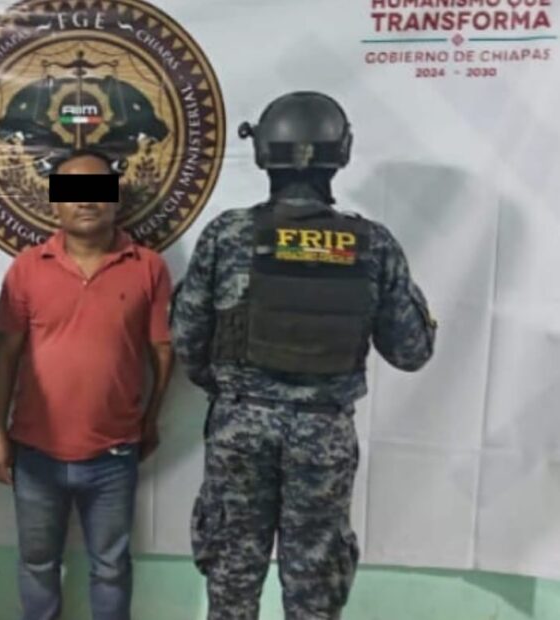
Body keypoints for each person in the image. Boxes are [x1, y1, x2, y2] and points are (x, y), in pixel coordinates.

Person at [172, 91, 437, 620]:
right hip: (323, 433)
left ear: (262, 152)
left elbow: (186, 339)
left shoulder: (227, 235)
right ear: (342, 153)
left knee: (232, 579)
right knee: (315, 586)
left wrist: (235, 393)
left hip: (240, 429)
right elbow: (411, 351)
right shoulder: (372, 244)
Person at [0, 149, 175, 620]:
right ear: (55, 201)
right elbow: (5, 354)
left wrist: (151, 419)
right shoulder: (28, 268)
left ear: (115, 197)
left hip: (114, 454)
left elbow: (162, 351)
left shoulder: (148, 266)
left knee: (111, 567)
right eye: (73, 191)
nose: (86, 201)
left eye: (97, 189)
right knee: (37, 563)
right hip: (35, 452)